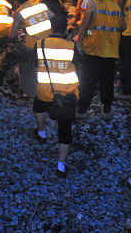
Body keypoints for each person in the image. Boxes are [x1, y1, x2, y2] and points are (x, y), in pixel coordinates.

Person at [75, 0, 124, 118]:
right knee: (107, 81)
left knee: (87, 81)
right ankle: (106, 109)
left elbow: (84, 27)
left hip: (93, 50)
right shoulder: (115, 8)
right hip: (110, 52)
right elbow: (123, 26)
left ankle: (82, 110)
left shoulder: (92, 5)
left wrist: (80, 41)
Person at [32, 26, 79, 176]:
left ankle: (41, 132)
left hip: (45, 91)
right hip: (66, 95)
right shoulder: (71, 46)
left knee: (38, 107)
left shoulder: (40, 44)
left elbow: (34, 65)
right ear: (65, 31)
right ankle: (61, 166)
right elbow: (78, 64)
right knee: (65, 130)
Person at [0, 0, 56, 93]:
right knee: (23, 60)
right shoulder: (40, 5)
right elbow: (53, 17)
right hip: (49, 41)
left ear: (15, 1)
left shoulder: (18, 13)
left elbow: (12, 36)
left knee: (9, 54)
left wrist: (20, 27)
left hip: (33, 47)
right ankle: (21, 81)